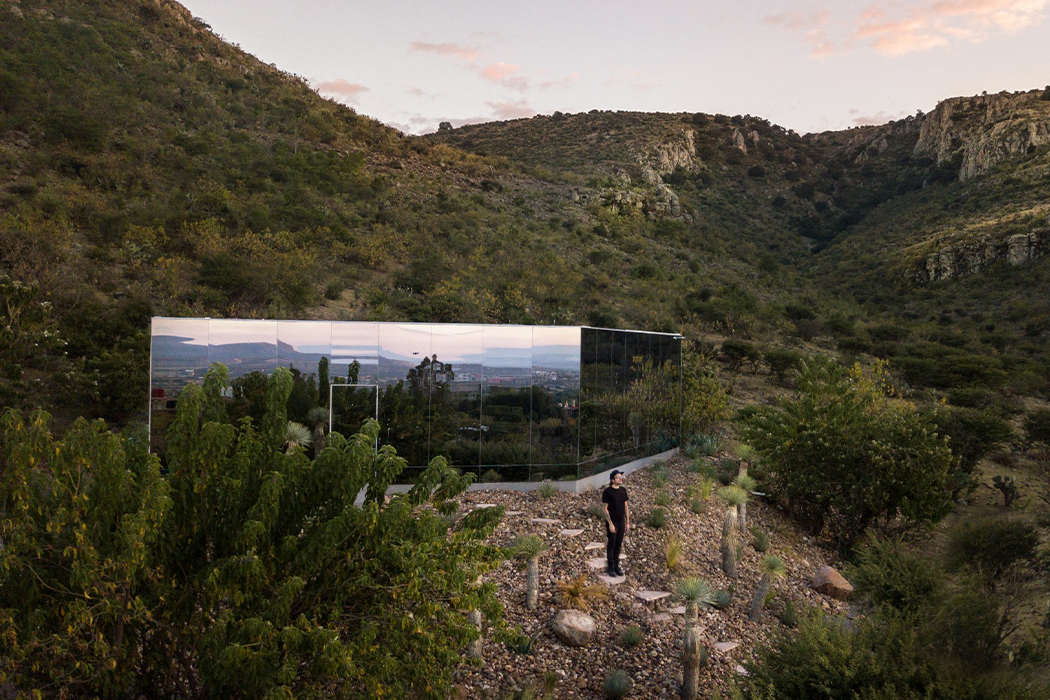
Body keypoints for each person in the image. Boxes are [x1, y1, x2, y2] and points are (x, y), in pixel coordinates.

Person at [601, 470, 630, 577]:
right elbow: (604, 508)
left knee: (618, 543)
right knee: (612, 544)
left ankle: (616, 566)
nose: (621, 478)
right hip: (612, 522)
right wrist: (610, 523)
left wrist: (627, 522)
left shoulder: (623, 490)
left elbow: (626, 506)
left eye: (621, 476)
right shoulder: (607, 492)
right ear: (613, 480)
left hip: (621, 522)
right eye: (618, 477)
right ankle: (610, 567)